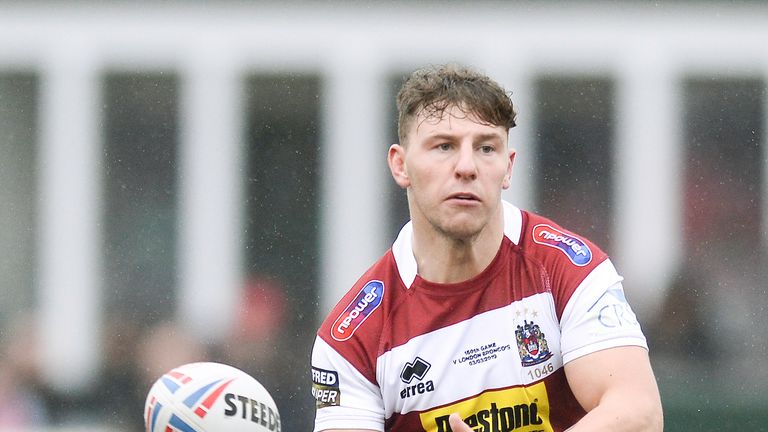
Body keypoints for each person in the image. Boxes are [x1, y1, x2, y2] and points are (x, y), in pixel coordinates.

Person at [310, 64, 663, 431]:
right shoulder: (351, 339)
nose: (466, 166)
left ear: (508, 168)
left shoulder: (567, 269)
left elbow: (638, 413)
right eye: (444, 146)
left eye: (486, 148)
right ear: (401, 166)